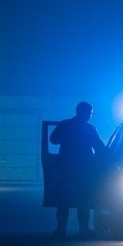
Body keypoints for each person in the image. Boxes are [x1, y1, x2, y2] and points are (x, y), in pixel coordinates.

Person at [47, 101, 107, 238]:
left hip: (66, 168)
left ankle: (61, 229)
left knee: (63, 200)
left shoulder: (65, 124)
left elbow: (53, 140)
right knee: (83, 200)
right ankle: (83, 229)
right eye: (90, 113)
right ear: (84, 112)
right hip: (83, 170)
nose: (90, 116)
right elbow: (99, 147)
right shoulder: (89, 128)